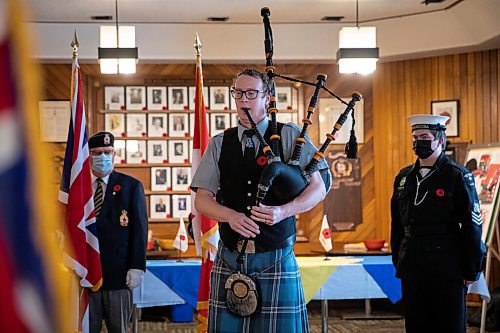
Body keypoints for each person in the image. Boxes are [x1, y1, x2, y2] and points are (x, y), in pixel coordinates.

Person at [191, 68, 331, 332]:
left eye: (251, 93)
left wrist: (284, 211)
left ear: (267, 98)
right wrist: (230, 216)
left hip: (276, 254)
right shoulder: (220, 143)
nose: (244, 100)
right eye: (239, 93)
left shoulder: (289, 135)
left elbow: (319, 187)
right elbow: (202, 200)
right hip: (231, 255)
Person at [390, 115, 486, 333]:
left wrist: (472, 268)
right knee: (416, 326)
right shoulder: (404, 177)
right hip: (412, 266)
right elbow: (397, 222)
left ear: (440, 140)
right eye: (415, 137)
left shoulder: (457, 175)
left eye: (424, 137)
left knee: (449, 327)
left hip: (447, 267)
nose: (418, 142)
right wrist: (398, 258)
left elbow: (472, 225)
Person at [87, 131, 148, 333]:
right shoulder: (79, 188)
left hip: (119, 275)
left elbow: (139, 230)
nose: (102, 157)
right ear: (88, 155)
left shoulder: (131, 186)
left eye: (107, 152)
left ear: (114, 154)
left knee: (118, 329)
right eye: (97, 153)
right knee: (85, 329)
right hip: (86, 275)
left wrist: (137, 266)